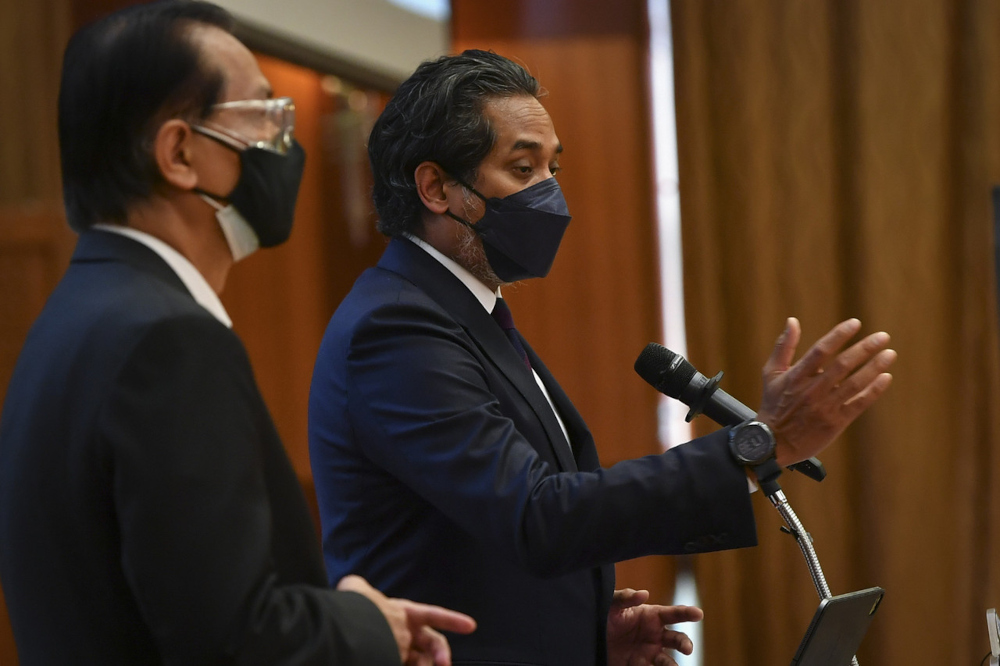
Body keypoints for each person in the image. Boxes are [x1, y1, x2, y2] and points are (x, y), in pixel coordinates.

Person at [307, 50, 896, 666]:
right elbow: (536, 516)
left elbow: (490, 536)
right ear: (435, 188)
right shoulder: (397, 328)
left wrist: (584, 633)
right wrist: (756, 447)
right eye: (523, 168)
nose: (550, 193)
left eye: (552, 167)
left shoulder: (463, 314)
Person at [0, 3, 476, 665]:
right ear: (179, 153)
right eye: (264, 115)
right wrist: (368, 628)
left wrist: (348, 615)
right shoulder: (168, 342)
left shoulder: (71, 317)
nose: (285, 140)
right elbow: (231, 638)